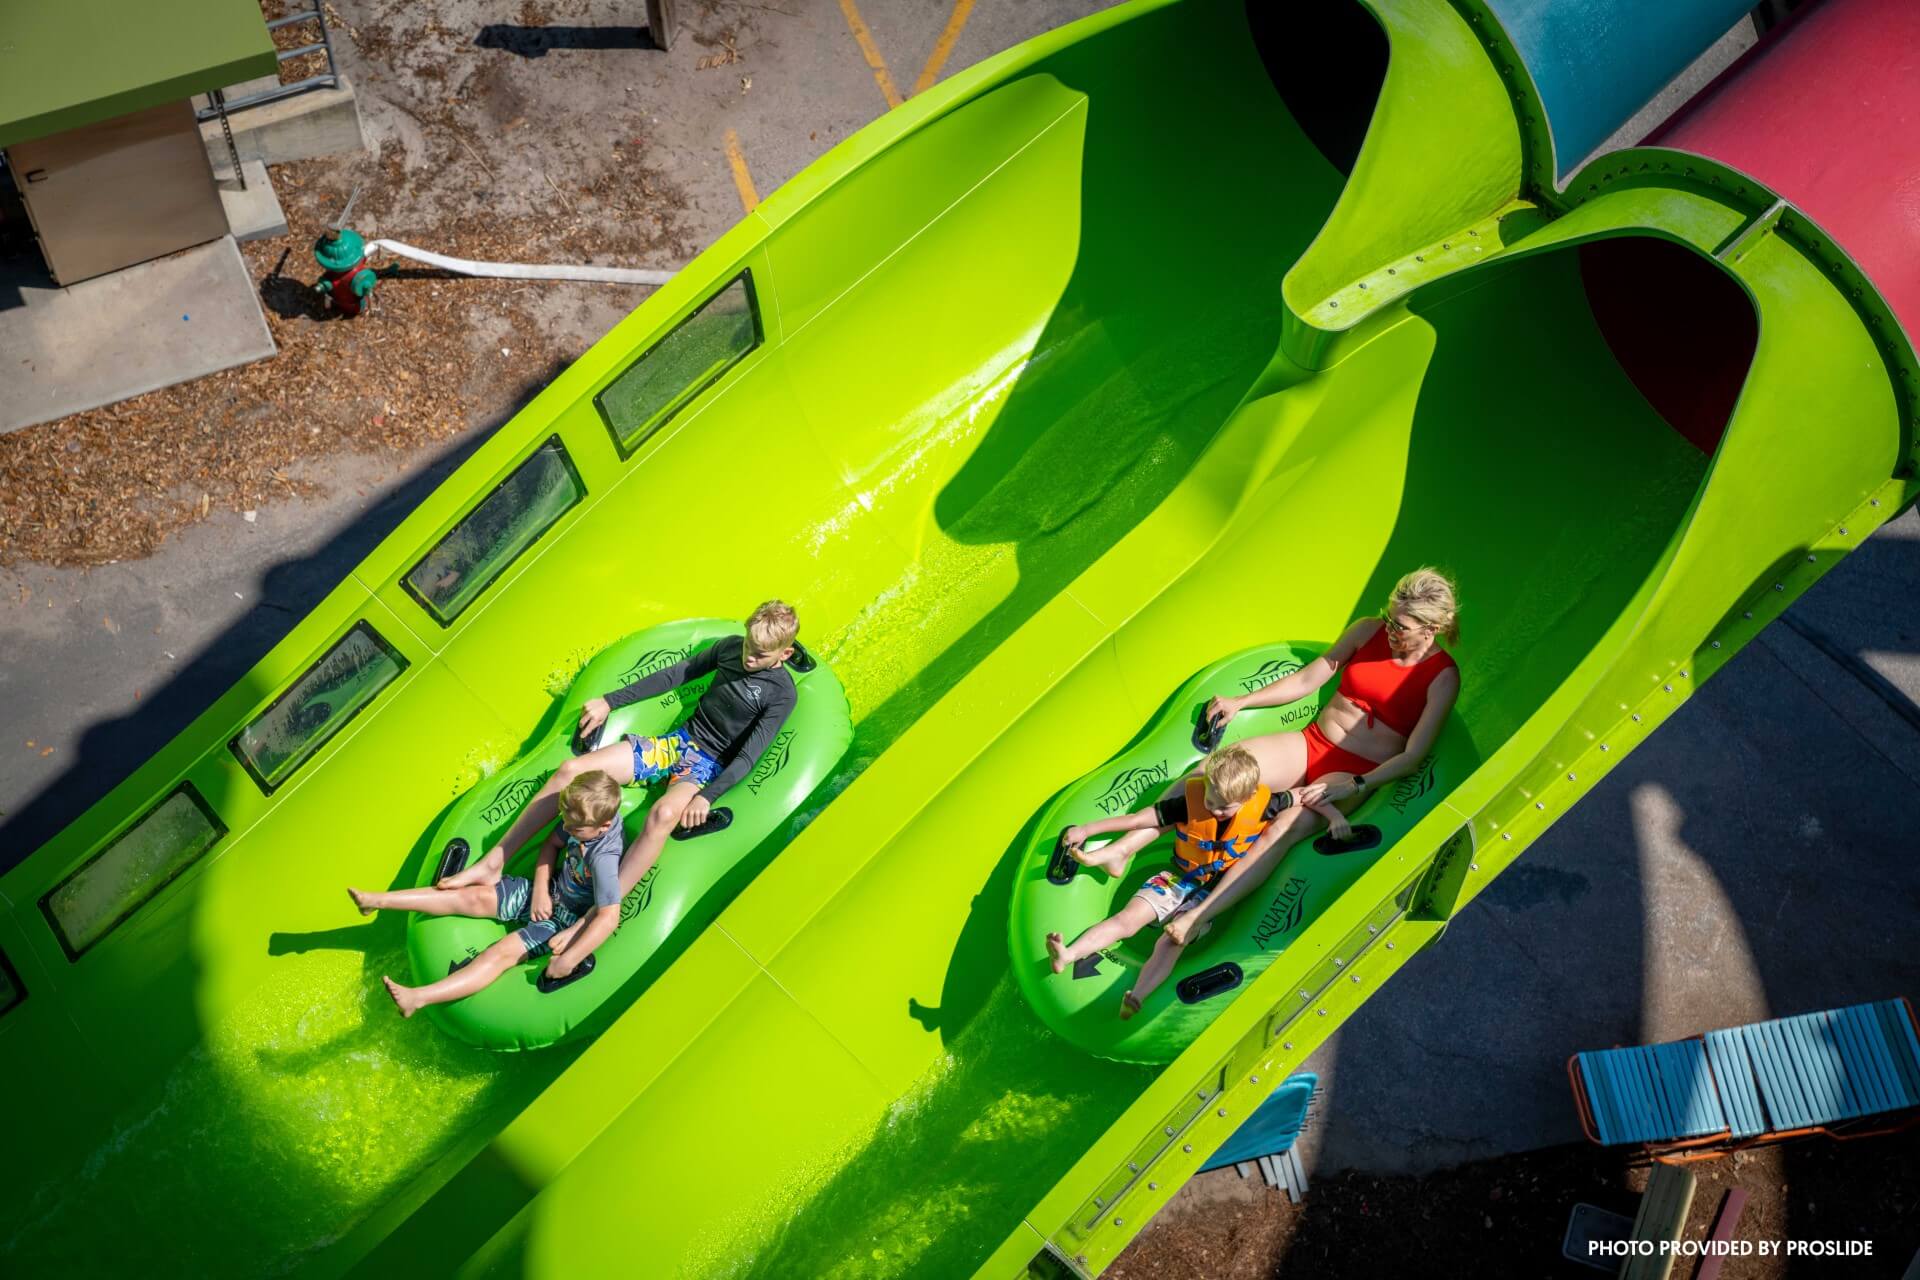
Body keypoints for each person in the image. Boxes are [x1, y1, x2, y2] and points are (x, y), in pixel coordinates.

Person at [1155, 568, 1462, 968]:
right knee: (1217, 769)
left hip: (1356, 769)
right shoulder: (1367, 630)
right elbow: (1307, 680)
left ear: (1432, 629)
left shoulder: (1442, 678)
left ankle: (1197, 918)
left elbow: (1412, 757)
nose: (1389, 629)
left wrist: (1356, 784)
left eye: (1400, 626)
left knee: (1286, 825)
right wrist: (1240, 703)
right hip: (1310, 743)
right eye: (1388, 618)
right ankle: (1128, 845)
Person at [438, 600, 800, 902]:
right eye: (748, 646)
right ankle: (495, 861)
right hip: (674, 745)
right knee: (568, 771)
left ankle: (603, 912)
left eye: (759, 653)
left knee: (662, 815)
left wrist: (707, 797)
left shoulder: (781, 693)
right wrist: (610, 702)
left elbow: (749, 755)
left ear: (784, 653)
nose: (748, 656)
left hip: (704, 766)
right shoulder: (730, 648)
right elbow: (677, 674)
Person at [1043, 745, 1347, 1019]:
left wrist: (1334, 817)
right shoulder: (1192, 802)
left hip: (1212, 895)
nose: (1213, 809)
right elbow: (1138, 820)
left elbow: (1308, 795)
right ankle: (1069, 953)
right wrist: (1087, 829)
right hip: (1177, 878)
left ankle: (1138, 996)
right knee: (1126, 920)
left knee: (1171, 941)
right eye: (1210, 799)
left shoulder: (1266, 803)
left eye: (1222, 807)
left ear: (1247, 798)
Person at [352, 770, 625, 1016]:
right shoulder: (579, 820)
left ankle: (418, 998)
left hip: (559, 924)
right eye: (565, 823)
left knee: (500, 953)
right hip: (546, 893)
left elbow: (608, 916)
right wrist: (541, 888)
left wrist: (569, 959)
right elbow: (551, 845)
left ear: (603, 828)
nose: (566, 829)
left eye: (574, 828)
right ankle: (378, 901)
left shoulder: (603, 858)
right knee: (473, 896)